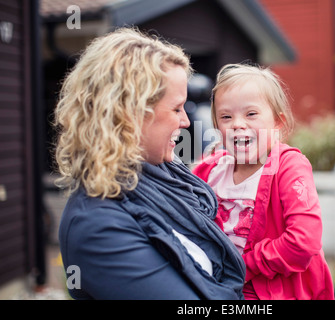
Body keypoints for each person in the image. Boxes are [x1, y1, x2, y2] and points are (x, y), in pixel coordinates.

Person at [53, 28, 245, 300]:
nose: (186, 122)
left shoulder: (163, 180)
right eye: (176, 108)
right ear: (130, 114)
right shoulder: (96, 226)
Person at [192, 63, 334, 300]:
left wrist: (241, 266)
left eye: (251, 114)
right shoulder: (209, 170)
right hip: (219, 285)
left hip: (276, 290)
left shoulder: (289, 167)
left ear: (277, 122)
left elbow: (303, 242)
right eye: (226, 117)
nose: (237, 124)